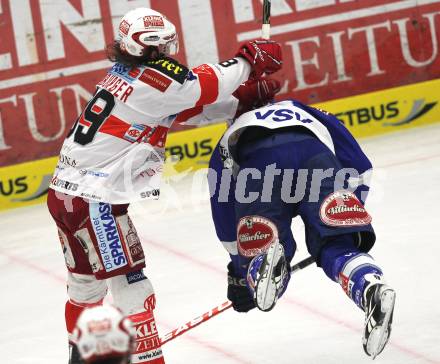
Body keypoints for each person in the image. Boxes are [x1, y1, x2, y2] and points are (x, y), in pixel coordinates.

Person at [46, 6, 283, 364]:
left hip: (65, 194)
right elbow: (202, 86)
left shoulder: (127, 74)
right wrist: (250, 61)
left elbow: (183, 109)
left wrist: (241, 101)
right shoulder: (155, 78)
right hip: (95, 201)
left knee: (84, 288)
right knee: (133, 288)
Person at [208, 99, 396, 359]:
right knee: (338, 247)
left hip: (259, 166)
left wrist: (241, 268)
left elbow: (222, 201)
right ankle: (369, 285)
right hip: (315, 157)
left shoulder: (233, 131)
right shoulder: (299, 108)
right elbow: (357, 161)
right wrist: (347, 218)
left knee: (265, 250)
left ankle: (263, 265)